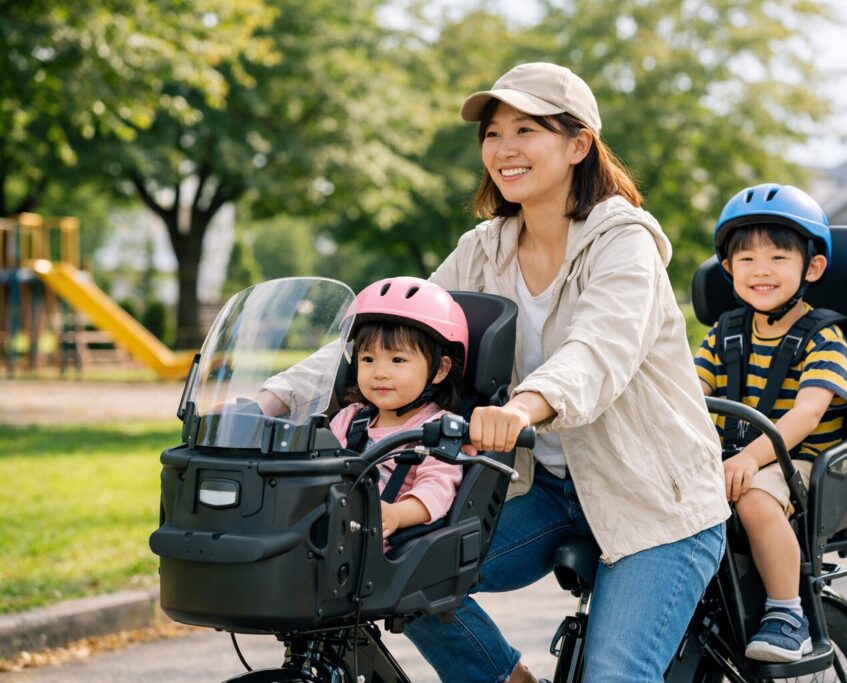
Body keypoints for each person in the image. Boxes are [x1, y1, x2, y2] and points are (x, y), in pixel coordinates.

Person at [257, 62, 729, 682]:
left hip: (654, 500)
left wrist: (521, 408)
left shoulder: (623, 243)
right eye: (492, 134)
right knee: (392, 569)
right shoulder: (484, 249)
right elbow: (391, 327)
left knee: (615, 675)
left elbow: (599, 350)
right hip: (548, 489)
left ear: (578, 145)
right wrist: (272, 399)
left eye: (526, 130)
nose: (504, 149)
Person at [693, 184, 847, 663]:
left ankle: (787, 613)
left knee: (756, 498)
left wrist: (751, 457)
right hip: (732, 457)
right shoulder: (724, 333)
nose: (760, 270)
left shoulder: (824, 336)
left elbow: (807, 413)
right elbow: (687, 394)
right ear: (728, 268)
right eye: (746, 259)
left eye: (778, 258)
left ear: (812, 268)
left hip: (795, 463)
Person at [328, 276, 467, 540]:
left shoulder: (439, 429)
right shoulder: (350, 418)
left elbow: (437, 489)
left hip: (377, 547)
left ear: (439, 369)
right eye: (368, 359)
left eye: (398, 359)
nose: (380, 372)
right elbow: (319, 467)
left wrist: (398, 514)